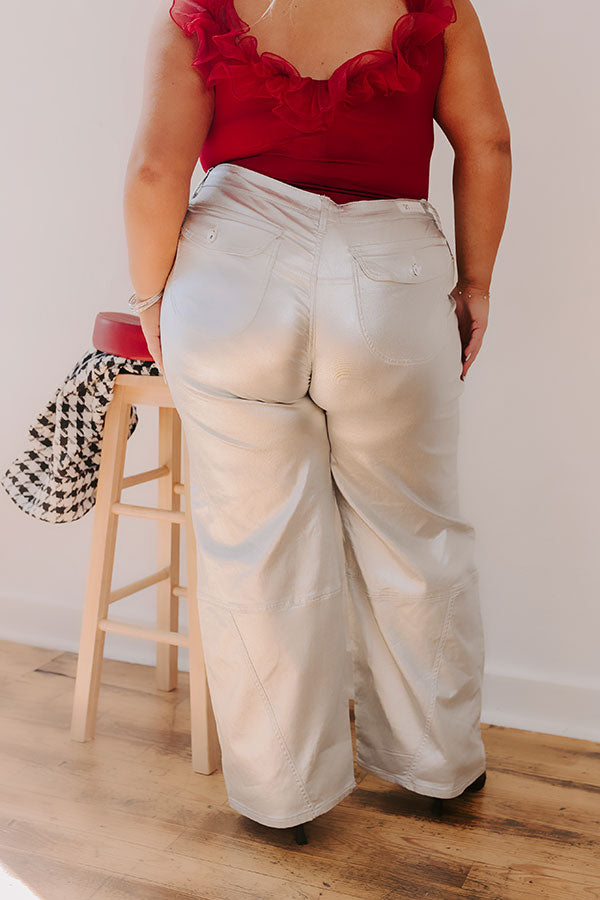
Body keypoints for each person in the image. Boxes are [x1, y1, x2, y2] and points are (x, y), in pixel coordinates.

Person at [123, 0, 511, 844]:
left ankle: (283, 797)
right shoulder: (437, 10)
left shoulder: (201, 12)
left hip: (234, 279)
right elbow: (487, 143)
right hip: (389, 278)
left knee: (255, 548)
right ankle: (439, 769)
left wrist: (152, 300)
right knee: (413, 535)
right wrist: (476, 283)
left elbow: (157, 171)